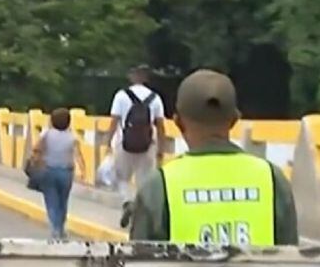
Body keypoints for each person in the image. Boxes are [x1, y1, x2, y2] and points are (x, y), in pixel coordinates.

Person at [129, 69, 298, 246]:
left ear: (178, 122)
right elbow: (292, 257)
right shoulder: (273, 180)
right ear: (234, 120)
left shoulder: (158, 186)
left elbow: (139, 259)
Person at [106, 65, 166, 226]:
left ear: (132, 77)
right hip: (147, 145)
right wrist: (161, 149)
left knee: (122, 178)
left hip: (124, 144)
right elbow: (161, 126)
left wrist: (107, 142)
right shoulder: (155, 98)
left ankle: (127, 202)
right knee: (144, 181)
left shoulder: (121, 96)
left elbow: (114, 121)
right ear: (146, 78)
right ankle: (140, 213)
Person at [31, 108, 87, 239]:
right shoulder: (72, 137)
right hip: (66, 172)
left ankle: (55, 228)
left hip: (49, 171)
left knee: (51, 201)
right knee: (63, 201)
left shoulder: (47, 134)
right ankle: (61, 228)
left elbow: (36, 148)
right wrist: (83, 171)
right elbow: (78, 155)